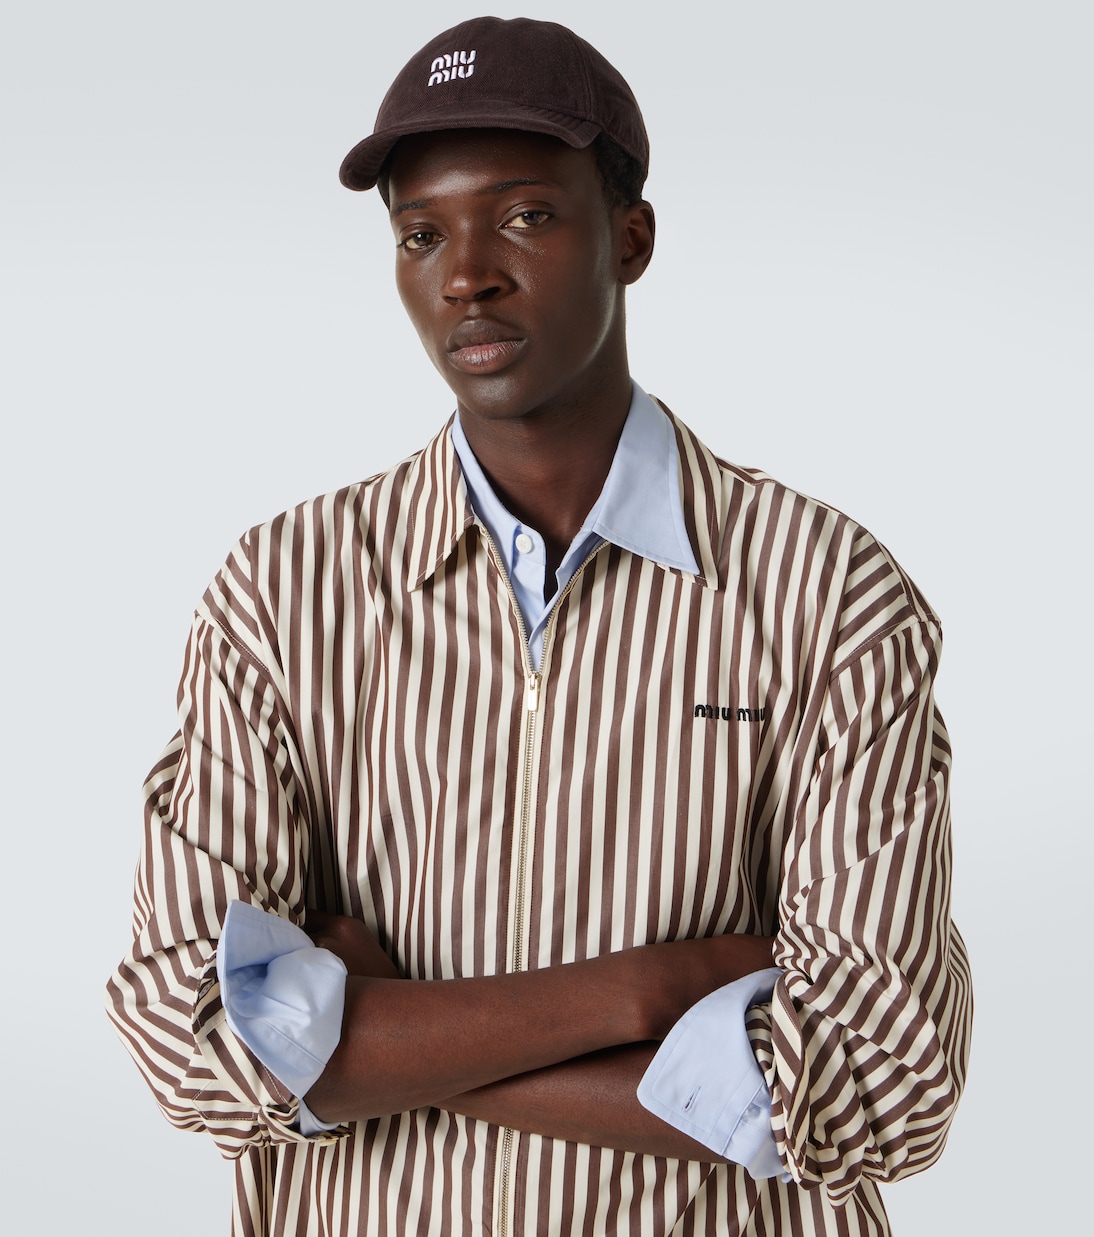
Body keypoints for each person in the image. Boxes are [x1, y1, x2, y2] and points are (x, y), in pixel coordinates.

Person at [106, 17, 972, 1237]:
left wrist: (369, 1036)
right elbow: (194, 1036)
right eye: (421, 234)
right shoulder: (283, 590)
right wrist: (643, 989)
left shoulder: (826, 592)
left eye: (523, 216)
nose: (466, 274)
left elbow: (880, 1083)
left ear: (631, 238)